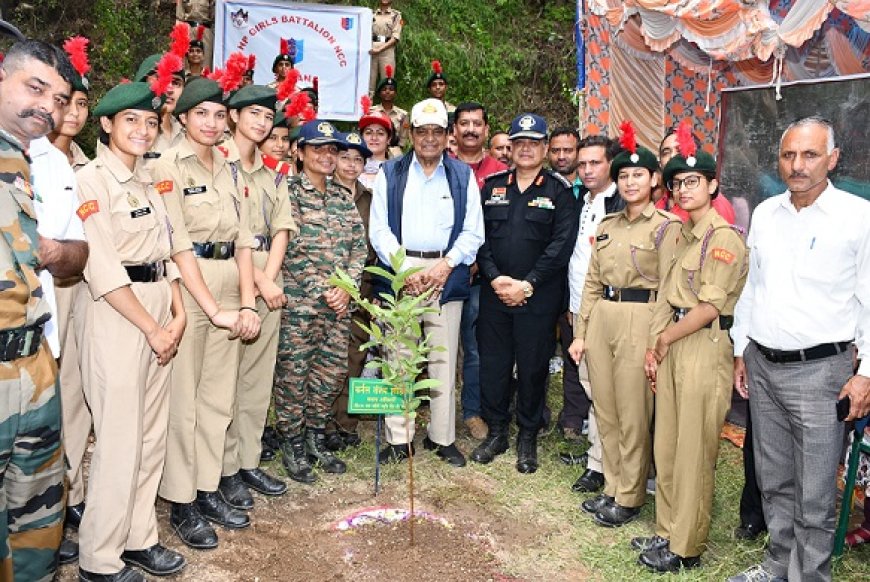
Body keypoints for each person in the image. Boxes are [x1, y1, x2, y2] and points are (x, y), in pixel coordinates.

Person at [727, 116, 870, 582]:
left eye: (810, 155)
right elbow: (752, 287)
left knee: (813, 491)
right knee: (774, 480)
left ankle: (808, 576)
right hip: (763, 364)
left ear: (833, 159)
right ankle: (775, 567)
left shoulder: (858, 217)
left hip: (822, 372)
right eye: (789, 155)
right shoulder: (768, 214)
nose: (798, 165)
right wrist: (741, 348)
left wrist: (865, 373)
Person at [75, 77, 189, 582]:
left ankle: (138, 538)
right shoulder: (91, 181)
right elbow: (102, 267)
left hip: (160, 310)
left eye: (149, 121)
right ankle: (98, 559)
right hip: (119, 315)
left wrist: (178, 312)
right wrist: (152, 327)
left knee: (149, 436)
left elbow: (166, 252)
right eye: (130, 121)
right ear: (106, 125)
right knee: (119, 439)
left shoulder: (149, 179)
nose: (143, 130)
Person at [153, 75, 261, 549]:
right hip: (189, 285)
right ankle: (180, 500)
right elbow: (177, 245)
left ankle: (206, 486)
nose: (212, 123)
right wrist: (213, 308)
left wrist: (246, 302)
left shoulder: (229, 166)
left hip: (227, 283)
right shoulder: (167, 165)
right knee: (185, 402)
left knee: (218, 398)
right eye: (202, 114)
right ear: (183, 118)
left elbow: (242, 242)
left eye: (220, 115)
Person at [636, 120, 747, 573]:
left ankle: (687, 545)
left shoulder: (722, 239)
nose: (683, 190)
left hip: (702, 344)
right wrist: (654, 347)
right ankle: (665, 529)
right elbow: (666, 294)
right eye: (678, 183)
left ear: (712, 185)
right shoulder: (680, 234)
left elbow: (706, 308)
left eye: (693, 182)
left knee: (695, 451)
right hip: (675, 344)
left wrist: (662, 340)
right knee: (668, 444)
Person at [568, 121, 680, 527]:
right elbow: (592, 282)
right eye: (624, 176)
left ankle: (631, 495)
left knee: (633, 413)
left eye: (639, 175)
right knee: (607, 408)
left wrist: (655, 343)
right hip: (603, 319)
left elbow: (669, 289)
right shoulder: (607, 227)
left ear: (653, 180)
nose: (631, 182)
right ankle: (612, 486)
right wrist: (581, 333)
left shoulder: (667, 227)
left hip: (642, 318)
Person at [369, 98, 484, 467]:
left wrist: (444, 266)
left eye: (437, 131)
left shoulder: (462, 175)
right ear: (411, 133)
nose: (430, 139)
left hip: (444, 274)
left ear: (448, 136)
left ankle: (441, 436)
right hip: (401, 270)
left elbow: (473, 232)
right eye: (422, 132)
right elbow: (379, 230)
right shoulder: (390, 173)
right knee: (398, 358)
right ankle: (399, 439)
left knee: (442, 358)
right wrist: (405, 270)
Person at [0, 38, 77, 582]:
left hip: (35, 362)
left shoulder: (42, 162)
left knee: (38, 523)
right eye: (35, 88)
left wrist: (53, 251)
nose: (47, 107)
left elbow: (77, 256)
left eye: (59, 97)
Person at [472, 113, 579, 474]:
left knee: (533, 367)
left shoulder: (559, 191)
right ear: (511, 148)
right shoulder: (492, 186)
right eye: (520, 143)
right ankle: (498, 431)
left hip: (538, 297)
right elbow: (479, 238)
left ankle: (527, 435)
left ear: (545, 148)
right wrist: (495, 279)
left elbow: (561, 246)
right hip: (495, 293)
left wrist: (527, 284)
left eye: (534, 143)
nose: (526, 149)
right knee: (494, 364)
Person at [274, 120, 366, 483]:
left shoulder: (344, 198)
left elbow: (359, 248)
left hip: (339, 307)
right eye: (318, 149)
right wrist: (323, 289)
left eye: (332, 150)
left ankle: (315, 437)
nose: (327, 156)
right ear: (300, 153)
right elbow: (288, 247)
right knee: (294, 377)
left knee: (329, 375)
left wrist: (347, 287)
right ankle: (292, 443)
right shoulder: (288, 193)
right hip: (301, 306)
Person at [218, 85, 296, 510]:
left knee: (256, 379)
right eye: (253, 114)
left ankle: (247, 460)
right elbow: (230, 234)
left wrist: (270, 277)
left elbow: (281, 227)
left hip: (268, 277)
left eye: (268, 117)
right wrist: (261, 283)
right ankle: (224, 468)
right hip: (231, 276)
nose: (263, 123)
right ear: (232, 116)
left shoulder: (272, 173)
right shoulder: (219, 163)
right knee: (225, 382)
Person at [38, 36, 92, 567]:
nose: (71, 113)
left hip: (75, 290)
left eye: (79, 104)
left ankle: (66, 497)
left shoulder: (81, 162)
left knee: (71, 392)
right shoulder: (34, 156)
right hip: (34, 298)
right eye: (64, 102)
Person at [568, 134, 624, 494]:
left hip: (609, 310)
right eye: (583, 164)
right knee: (592, 386)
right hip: (578, 307)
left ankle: (611, 467)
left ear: (611, 165)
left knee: (610, 392)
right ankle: (597, 462)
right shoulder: (584, 201)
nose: (587, 170)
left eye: (595, 163)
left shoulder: (620, 202)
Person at [451, 102, 507, 440]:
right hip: (442, 272)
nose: (471, 129)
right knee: (433, 345)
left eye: (477, 124)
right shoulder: (441, 166)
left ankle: (472, 412)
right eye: (464, 124)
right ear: (454, 131)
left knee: (473, 348)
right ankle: (428, 409)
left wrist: (478, 263)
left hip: (480, 277)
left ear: (486, 129)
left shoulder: (500, 172)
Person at [327, 130, 376, 450]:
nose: (350, 164)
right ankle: (320, 423)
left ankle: (345, 424)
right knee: (326, 360)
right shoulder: (322, 193)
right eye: (345, 156)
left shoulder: (372, 200)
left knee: (355, 356)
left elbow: (377, 246)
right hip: (326, 291)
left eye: (358, 159)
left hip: (361, 290)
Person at [546, 127, 588, 444]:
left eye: (568, 150)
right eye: (556, 150)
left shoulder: (594, 192)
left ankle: (574, 418)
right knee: (541, 349)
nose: (562, 156)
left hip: (581, 284)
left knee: (577, 349)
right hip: (548, 282)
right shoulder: (544, 187)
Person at [657, 127, 736, 225]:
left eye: (679, 150)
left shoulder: (714, 202)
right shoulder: (662, 201)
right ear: (660, 163)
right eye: (666, 153)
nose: (672, 157)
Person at [133, 52, 186, 159]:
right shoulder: (129, 133)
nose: (169, 89)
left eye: (176, 83)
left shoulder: (187, 134)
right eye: (162, 80)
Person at [371, 65, 410, 156]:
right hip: (374, 149)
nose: (387, 92)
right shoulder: (372, 112)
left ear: (395, 93)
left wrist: (397, 151)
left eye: (391, 89)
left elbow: (403, 137)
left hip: (394, 150)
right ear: (380, 93)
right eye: (384, 89)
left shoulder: (403, 114)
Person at [369, 0, 403, 96]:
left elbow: (395, 37)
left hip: (387, 50)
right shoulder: (371, 14)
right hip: (371, 50)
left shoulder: (396, 15)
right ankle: (366, 108)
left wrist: (380, 49)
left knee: (387, 83)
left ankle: (386, 109)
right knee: (369, 83)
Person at [359, 104, 393, 190]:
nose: (374, 138)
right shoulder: (349, 169)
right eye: (368, 133)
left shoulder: (397, 172)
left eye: (380, 133)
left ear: (389, 139)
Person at [177, 0, 215, 69]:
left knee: (206, 62)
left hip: (206, 31)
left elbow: (216, 16)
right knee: (186, 62)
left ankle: (204, 79)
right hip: (188, 29)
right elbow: (179, 18)